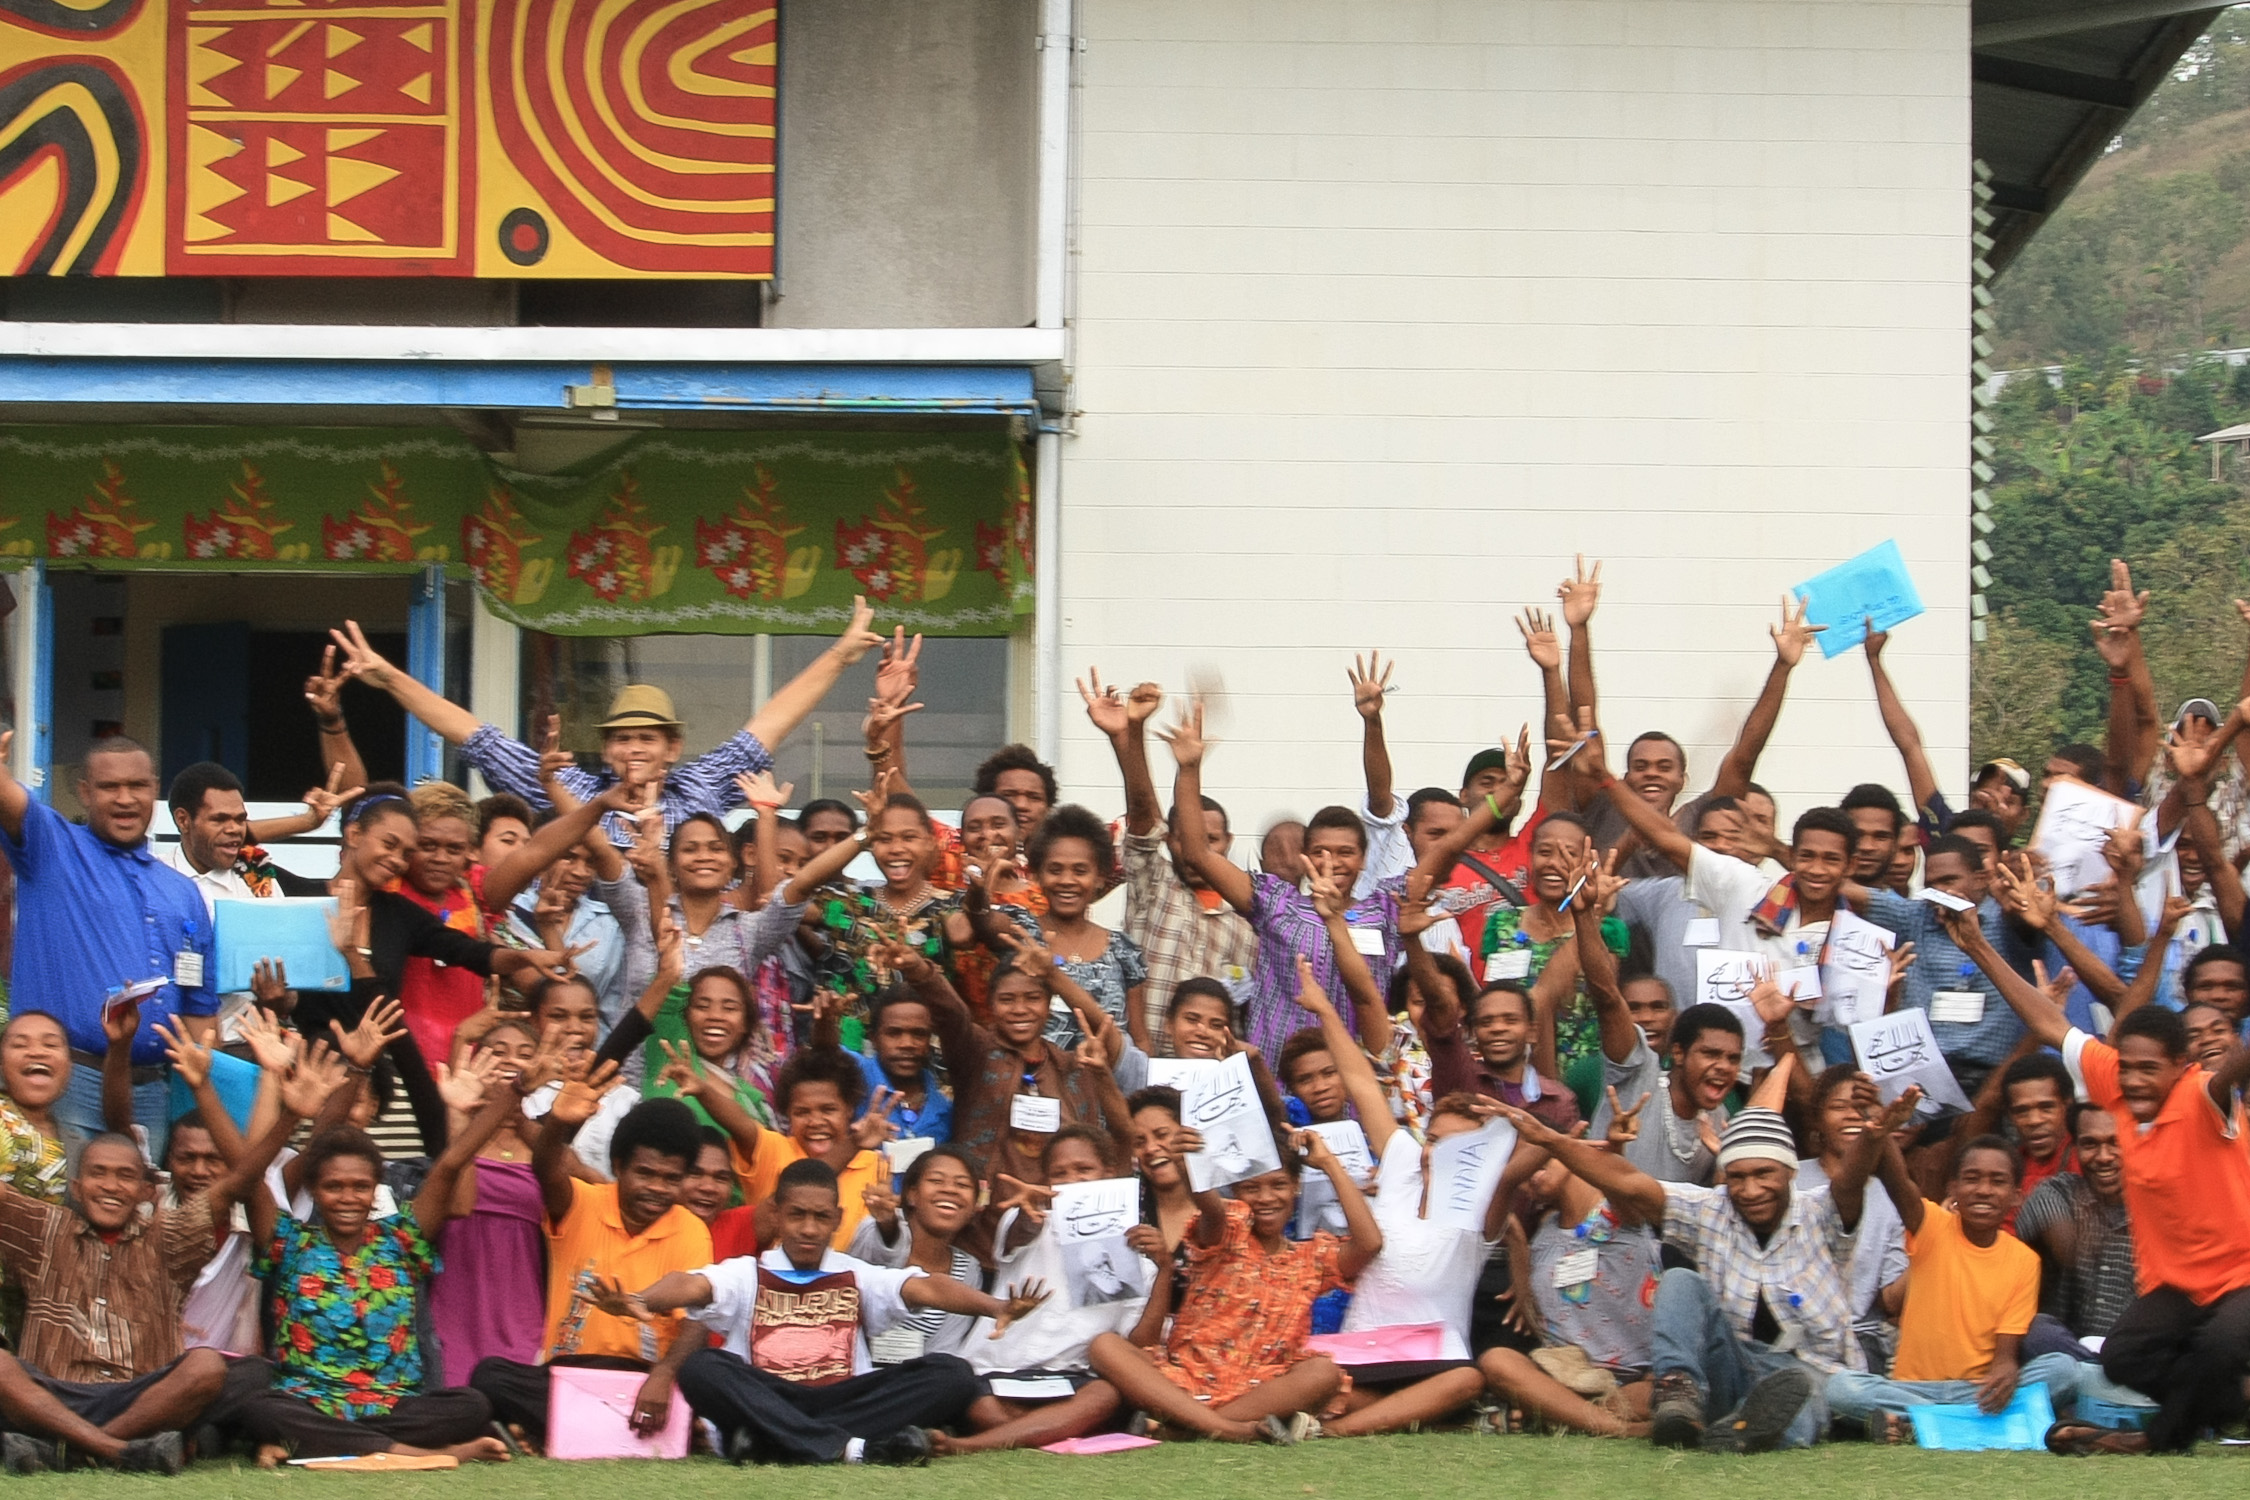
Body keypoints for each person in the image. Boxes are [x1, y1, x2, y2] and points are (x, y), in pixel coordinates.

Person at [1947, 905, 2250, 1455]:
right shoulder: (2114, 1080)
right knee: (2123, 1355)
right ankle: (2230, 1405)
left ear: (2181, 1065)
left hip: (2244, 1273)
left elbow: (2238, 1064)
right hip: (2177, 1286)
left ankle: (2149, 1442)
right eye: (2126, 1067)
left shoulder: (2204, 1096)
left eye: (2148, 1069)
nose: (2132, 1079)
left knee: (2220, 1349)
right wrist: (1977, 947)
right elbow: (2047, 1023)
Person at [1498, 1073, 1910, 1453]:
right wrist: (1551, 1142)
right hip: (1736, 1364)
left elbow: (1850, 1180)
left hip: (1813, 1371)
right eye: (1737, 1177)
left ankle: (1742, 1431)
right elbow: (1628, 1183)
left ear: (1789, 1172)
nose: (1750, 1190)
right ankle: (1677, 1393)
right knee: (1680, 1280)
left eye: (1763, 1174)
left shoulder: (1822, 1211)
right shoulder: (1709, 1210)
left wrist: (1873, 1137)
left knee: (1803, 1411)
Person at [0, 1005, 320, 1474]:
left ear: (148, 1187)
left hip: (140, 1396)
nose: (111, 1186)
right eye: (98, 1175)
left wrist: (289, 1116)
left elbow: (240, 1181)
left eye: (125, 1177)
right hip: (56, 1391)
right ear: (75, 1186)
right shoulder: (43, 1225)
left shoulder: (168, 1234)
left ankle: (73, 1446)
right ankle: (117, 1452)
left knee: (209, 1367)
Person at [603, 1157, 1048, 1466]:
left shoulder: (857, 1273)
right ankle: (851, 1449)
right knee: (702, 1367)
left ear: (837, 1218)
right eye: (797, 1216)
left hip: (842, 1398)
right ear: (776, 1215)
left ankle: (774, 1444)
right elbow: (691, 1284)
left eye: (820, 1217)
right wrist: (643, 1300)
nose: (809, 1229)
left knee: (950, 1373)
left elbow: (925, 1286)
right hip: (768, 1395)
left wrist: (997, 1306)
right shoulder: (746, 1272)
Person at [326, 601, 884, 845]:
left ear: (673, 747)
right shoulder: (564, 783)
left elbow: (771, 724)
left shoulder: (701, 785)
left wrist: (839, 655)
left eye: (647, 737)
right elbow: (472, 734)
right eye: (621, 738)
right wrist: (388, 676)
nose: (633, 749)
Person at [232, 1042, 541, 1466]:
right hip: (309, 1401)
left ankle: (318, 1447)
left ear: (376, 1187)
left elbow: (451, 1163)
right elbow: (249, 1177)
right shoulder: (289, 1241)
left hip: (394, 1406)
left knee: (470, 1404)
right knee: (259, 1406)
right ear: (315, 1191)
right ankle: (422, 1455)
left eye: (359, 1186)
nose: (347, 1197)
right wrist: (292, 1115)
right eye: (333, 1187)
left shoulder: (401, 1237)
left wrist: (517, 1090)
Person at [1283, 961, 1541, 1441]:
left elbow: (1529, 1158)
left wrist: (1532, 1132)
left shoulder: (1481, 1208)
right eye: (1435, 1139)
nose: (1436, 1154)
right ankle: (1426, 1419)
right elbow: (1360, 1082)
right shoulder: (1403, 1159)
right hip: (1363, 1349)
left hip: (1436, 1359)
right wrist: (1323, 1010)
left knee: (1467, 1379)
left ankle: (1334, 1431)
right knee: (1308, 1376)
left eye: (1457, 1149)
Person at [1086, 1120, 1380, 1443]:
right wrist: (1192, 1166)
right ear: (1237, 1192)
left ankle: (1182, 1428)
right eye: (1251, 1188)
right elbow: (1212, 1211)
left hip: (1258, 1390)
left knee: (1323, 1373)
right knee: (1104, 1346)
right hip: (1183, 1377)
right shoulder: (1230, 1228)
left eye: (1279, 1185)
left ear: (1296, 1186)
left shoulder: (1313, 1256)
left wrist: (1327, 1162)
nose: (1266, 1198)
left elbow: (1369, 1244)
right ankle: (1228, 1430)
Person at [466, 1080, 715, 1453]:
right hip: (569, 1375)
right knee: (490, 1376)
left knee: (707, 1380)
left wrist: (663, 1376)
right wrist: (556, 1126)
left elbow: (698, 1320)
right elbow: (546, 1168)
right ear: (618, 1166)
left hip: (642, 1382)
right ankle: (618, 1435)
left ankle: (547, 1435)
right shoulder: (582, 1202)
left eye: (671, 1179)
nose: (657, 1189)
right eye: (645, 1174)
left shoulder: (691, 1229)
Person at [0, 731, 218, 1148]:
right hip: (67, 1083)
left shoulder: (184, 891)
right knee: (60, 1213)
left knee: (140, 1213)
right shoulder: (53, 846)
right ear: (84, 792)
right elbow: (10, 800)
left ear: (156, 789)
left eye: (137, 786)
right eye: (109, 787)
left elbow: (199, 1012)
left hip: (154, 1092)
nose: (125, 799)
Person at [1161, 698, 1400, 1059]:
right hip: (1276, 1075)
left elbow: (1387, 808)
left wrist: (1373, 722)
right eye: (1319, 851)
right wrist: (1189, 770)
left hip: (1354, 1083)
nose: (1330, 861)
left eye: (1345, 852)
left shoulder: (1385, 909)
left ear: (1364, 859)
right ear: (1305, 856)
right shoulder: (1277, 902)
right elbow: (1197, 853)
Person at [1822, 1132, 2080, 1441]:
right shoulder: (1932, 1226)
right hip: (1911, 1389)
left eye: (1997, 1182)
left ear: (2015, 1196)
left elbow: (2006, 1353)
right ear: (1953, 1189)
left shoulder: (2024, 1260)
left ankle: (1918, 1425)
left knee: (2064, 1369)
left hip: (1979, 1392)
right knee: (1840, 1388)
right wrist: (1881, 1129)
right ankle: (1956, 1424)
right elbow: (1897, 1179)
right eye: (1972, 1179)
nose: (1984, 1190)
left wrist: (2006, 1369)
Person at [933, 1125, 1151, 1454]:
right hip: (996, 1371)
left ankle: (971, 1444)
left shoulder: (1135, 1256)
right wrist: (1029, 1213)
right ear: (1046, 1181)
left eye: (1084, 1170)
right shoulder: (1031, 1222)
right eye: (1059, 1173)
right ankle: (1049, 1433)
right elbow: (1019, 1232)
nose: (1072, 1180)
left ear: (1108, 1174)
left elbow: (1132, 1341)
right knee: (975, 1401)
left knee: (1104, 1396)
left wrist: (1160, 1265)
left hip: (1070, 1379)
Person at [1083, 672, 1255, 1053]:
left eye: (1211, 840)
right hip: (1144, 1064)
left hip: (1214, 1076)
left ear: (1227, 843)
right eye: (1185, 838)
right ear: (1170, 840)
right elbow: (1142, 816)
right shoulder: (1155, 885)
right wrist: (1133, 730)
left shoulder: (1247, 917)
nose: (1197, 848)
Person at [1482, 1149, 1662, 1438]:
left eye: (1541, 1164)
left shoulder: (1618, 1212)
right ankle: (1616, 1429)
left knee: (1659, 1394)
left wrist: (1612, 1150)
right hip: (1567, 1375)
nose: (1533, 1178)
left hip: (1639, 1375)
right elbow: (1535, 1319)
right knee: (1497, 1361)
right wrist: (1516, 1239)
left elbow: (1620, 1183)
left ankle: (1557, 1416)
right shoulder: (1543, 1237)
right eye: (1522, 1178)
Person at [424, 1019, 552, 1388]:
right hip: (456, 1288)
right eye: (498, 1052)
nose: (512, 1061)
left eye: (526, 1054)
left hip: (520, 1298)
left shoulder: (544, 1144)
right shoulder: (454, 1126)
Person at [973, 805, 1149, 1053]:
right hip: (1033, 1085)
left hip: (1104, 1086)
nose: (1067, 881)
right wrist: (979, 890)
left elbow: (1140, 1041)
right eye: (1055, 870)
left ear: (1100, 876)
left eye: (1080, 871)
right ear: (1038, 876)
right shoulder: (1020, 931)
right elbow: (981, 921)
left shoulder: (1125, 950)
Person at [1797, 1067, 1907, 1372]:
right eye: (1838, 1107)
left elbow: (1891, 1300)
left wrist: (1935, 1247)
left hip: (1860, 1339)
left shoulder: (1887, 1196)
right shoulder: (1788, 1178)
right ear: (1818, 1120)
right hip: (1795, 1332)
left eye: (1861, 1109)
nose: (1851, 1116)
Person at [2014, 1104, 2137, 1354]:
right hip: (2063, 1352)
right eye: (2090, 1144)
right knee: (2038, 1331)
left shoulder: (2161, 1210)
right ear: (2075, 1148)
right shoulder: (2058, 1192)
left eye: (2116, 1142)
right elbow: (2053, 1245)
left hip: (2131, 1354)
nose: (2103, 1156)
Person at [848, 1146, 983, 1364]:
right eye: (936, 1181)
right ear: (911, 1194)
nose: (950, 1190)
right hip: (854, 1371)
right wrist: (887, 1222)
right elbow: (883, 1249)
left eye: (963, 1185)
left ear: (974, 1206)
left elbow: (945, 1350)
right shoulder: (875, 1228)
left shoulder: (968, 1269)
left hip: (912, 1382)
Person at [856, 988, 952, 1145]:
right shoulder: (854, 1077)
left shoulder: (944, 1110)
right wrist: (824, 1022)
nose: (907, 1044)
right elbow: (826, 1051)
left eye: (919, 1034)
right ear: (874, 1038)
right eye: (894, 1033)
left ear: (930, 1041)